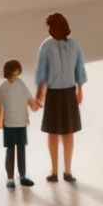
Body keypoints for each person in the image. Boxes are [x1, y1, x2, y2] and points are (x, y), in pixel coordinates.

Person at [34, 12, 86, 183]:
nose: (50, 30)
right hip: (54, 93)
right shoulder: (46, 46)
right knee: (53, 133)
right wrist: (39, 96)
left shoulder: (74, 46)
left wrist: (80, 90)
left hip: (69, 92)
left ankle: (68, 171)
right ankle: (54, 171)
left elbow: (79, 68)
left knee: (69, 133)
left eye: (52, 26)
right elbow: (42, 72)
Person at [0, 59, 41, 188]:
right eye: (16, 70)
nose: (18, 72)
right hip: (8, 124)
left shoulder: (21, 84)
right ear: (11, 71)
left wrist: (35, 105)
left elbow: (30, 100)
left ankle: (23, 176)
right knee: (10, 151)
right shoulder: (3, 87)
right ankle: (10, 178)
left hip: (21, 123)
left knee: (21, 150)